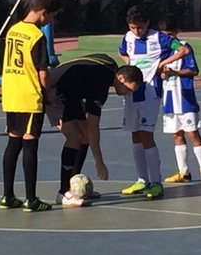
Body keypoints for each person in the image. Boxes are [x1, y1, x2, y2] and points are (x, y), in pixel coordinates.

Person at [44, 53, 143, 206]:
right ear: (121, 78)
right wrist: (99, 162)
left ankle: (75, 187)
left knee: (83, 138)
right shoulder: (100, 84)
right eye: (129, 89)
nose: (128, 94)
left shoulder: (109, 66)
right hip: (54, 90)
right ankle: (63, 193)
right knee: (75, 137)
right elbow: (93, 127)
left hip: (71, 93)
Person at [0, 0, 61, 212]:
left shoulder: (13, 30)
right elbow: (42, 72)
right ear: (43, 13)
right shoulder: (36, 36)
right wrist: (50, 96)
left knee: (12, 144)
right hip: (29, 95)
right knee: (30, 145)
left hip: (11, 94)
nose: (51, 21)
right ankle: (31, 199)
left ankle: (7, 195)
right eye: (51, 17)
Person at [117, 5, 173, 199]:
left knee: (146, 135)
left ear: (147, 23)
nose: (136, 31)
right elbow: (122, 52)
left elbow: (182, 49)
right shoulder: (128, 38)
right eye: (132, 27)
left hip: (150, 92)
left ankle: (156, 182)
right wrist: (129, 63)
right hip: (132, 92)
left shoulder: (160, 37)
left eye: (139, 27)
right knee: (135, 135)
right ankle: (142, 180)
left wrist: (162, 65)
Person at [157, 14, 201, 185]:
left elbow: (194, 70)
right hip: (169, 99)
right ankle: (184, 172)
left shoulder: (184, 47)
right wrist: (162, 74)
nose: (167, 37)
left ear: (176, 32)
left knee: (192, 133)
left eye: (170, 34)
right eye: (164, 34)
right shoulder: (160, 50)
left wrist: (175, 73)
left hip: (185, 97)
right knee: (177, 135)